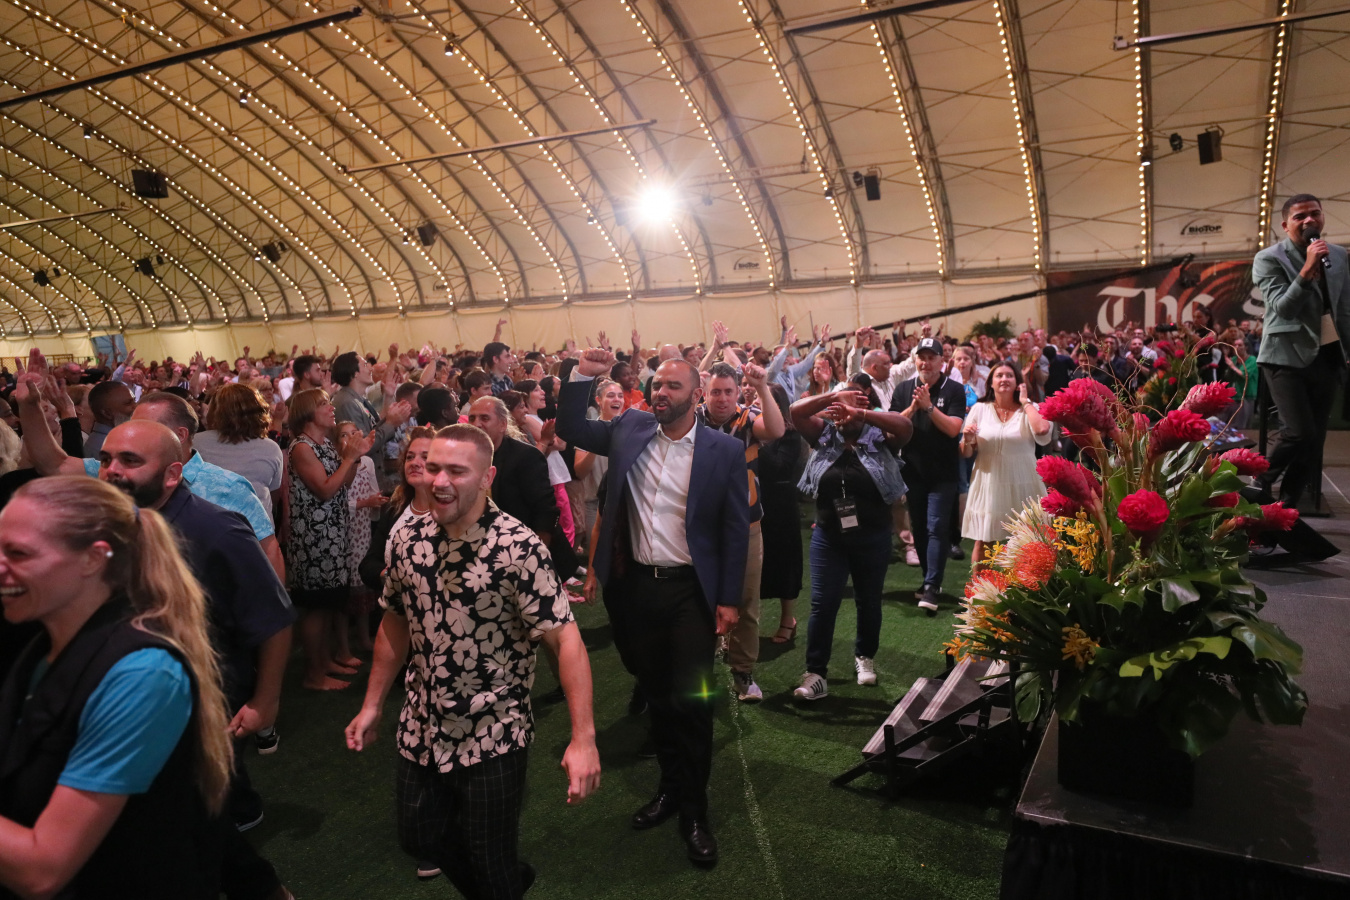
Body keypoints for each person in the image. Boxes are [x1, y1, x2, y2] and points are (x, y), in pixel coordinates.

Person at [344, 425, 601, 900]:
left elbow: (565, 639)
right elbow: (396, 620)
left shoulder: (518, 547)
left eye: (457, 471)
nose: (439, 481)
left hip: (494, 732)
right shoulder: (406, 538)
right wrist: (373, 703)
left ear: (487, 478)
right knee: (417, 837)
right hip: (421, 723)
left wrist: (583, 738)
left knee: (490, 860)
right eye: (433, 467)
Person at [555, 348, 748, 867]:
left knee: (694, 702)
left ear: (696, 396)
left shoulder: (723, 450)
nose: (660, 393)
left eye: (672, 387)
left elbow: (734, 529)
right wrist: (583, 373)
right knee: (658, 697)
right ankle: (669, 789)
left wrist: (729, 599)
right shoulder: (629, 428)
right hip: (636, 588)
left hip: (691, 593)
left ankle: (695, 811)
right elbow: (571, 426)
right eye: (657, 385)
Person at [0, 476, 234, 900]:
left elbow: (42, 869)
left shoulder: (142, 673)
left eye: (18, 553)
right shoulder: (42, 645)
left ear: (93, 559)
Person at [790, 386, 911, 700]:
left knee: (868, 601)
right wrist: (834, 397)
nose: (842, 416)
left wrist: (860, 413)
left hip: (873, 536)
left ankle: (864, 655)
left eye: (850, 410)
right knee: (822, 603)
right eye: (837, 410)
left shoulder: (880, 438)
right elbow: (796, 411)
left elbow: (905, 426)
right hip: (828, 537)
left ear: (863, 407)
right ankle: (816, 673)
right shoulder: (823, 435)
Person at [1252, 193, 1350, 507]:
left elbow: (1343, 308)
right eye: (1300, 216)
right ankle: (1260, 480)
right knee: (1298, 432)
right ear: (1286, 225)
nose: (1309, 220)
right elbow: (1283, 308)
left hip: (1327, 354)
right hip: (1284, 355)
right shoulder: (1269, 258)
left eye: (1314, 213)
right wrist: (1306, 271)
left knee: (1314, 441)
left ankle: (1287, 507)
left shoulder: (1338, 255)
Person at [697, 362, 785, 703]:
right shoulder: (690, 421)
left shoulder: (747, 419)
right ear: (704, 393)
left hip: (746, 525)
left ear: (738, 393)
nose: (722, 398)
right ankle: (700, 669)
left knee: (747, 602)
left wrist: (762, 387)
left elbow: (776, 430)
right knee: (699, 602)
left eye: (728, 392)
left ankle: (743, 671)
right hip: (701, 529)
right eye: (715, 392)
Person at [287, 389, 373, 691]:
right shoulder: (302, 447)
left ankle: (324, 662)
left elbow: (342, 485)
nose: (331, 407)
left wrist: (354, 458)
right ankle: (313, 675)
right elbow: (324, 490)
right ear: (307, 413)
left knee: (327, 605)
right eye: (323, 404)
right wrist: (348, 458)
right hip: (315, 538)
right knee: (316, 607)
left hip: (333, 534)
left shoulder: (324, 444)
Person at [892, 337, 967, 614]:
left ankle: (933, 586)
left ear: (941, 361)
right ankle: (928, 580)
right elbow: (892, 428)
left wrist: (929, 407)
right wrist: (913, 407)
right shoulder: (903, 389)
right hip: (912, 471)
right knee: (921, 529)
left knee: (936, 526)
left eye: (931, 357)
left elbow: (953, 428)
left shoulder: (954, 389)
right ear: (915, 360)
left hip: (943, 472)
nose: (925, 363)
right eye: (921, 357)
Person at [960, 362, 1053, 567]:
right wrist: (967, 438)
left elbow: (1042, 430)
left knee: (1030, 540)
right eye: (999, 375)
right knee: (983, 540)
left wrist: (1025, 401)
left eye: (1009, 375)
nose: (1004, 379)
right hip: (989, 482)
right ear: (991, 383)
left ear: (1018, 382)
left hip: (1023, 480)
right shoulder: (979, 409)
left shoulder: (1029, 408)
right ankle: (980, 586)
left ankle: (1026, 585)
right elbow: (966, 452)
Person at [757, 384, 806, 644]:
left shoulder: (790, 433)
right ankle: (748, 621)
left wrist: (757, 444)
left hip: (780, 504)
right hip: (752, 502)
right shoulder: (744, 427)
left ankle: (788, 619)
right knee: (753, 565)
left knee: (784, 562)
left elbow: (780, 467)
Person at [194, 383, 285, 520]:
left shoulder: (195, 442)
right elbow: (274, 496)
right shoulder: (270, 448)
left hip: (210, 524)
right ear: (258, 411)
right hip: (257, 527)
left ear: (214, 411)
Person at [330, 351, 413, 492]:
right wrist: (391, 424)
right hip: (361, 482)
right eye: (365, 364)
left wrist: (388, 398)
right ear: (354, 373)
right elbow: (363, 445)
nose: (370, 368)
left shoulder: (357, 398)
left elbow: (373, 429)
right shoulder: (346, 402)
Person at [83, 380, 135, 457]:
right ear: (107, 413)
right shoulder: (107, 448)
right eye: (128, 403)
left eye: (134, 400)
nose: (135, 406)